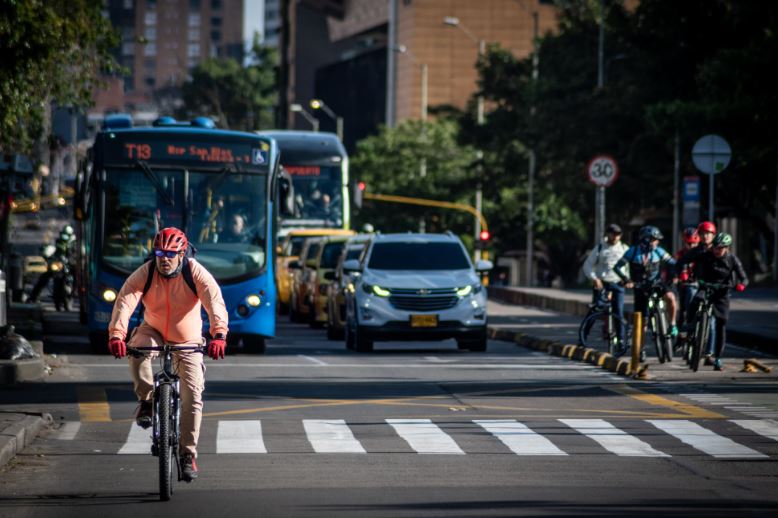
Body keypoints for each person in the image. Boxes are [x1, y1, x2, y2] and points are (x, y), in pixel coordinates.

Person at [107, 227, 229, 482]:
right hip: (153, 331)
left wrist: (219, 335)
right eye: (160, 252)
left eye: (171, 254)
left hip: (188, 339)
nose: (164, 258)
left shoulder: (194, 271)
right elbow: (125, 302)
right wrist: (117, 334)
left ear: (182, 253)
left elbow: (214, 301)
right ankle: (148, 401)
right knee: (137, 349)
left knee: (193, 395)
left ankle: (187, 455)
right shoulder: (147, 272)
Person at [675, 232, 747, 371]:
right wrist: (683, 272)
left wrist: (741, 284)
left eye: (720, 248)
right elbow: (682, 260)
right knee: (694, 301)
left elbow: (743, 277)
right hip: (705, 287)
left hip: (722, 293)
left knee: (721, 325)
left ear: (727, 248)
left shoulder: (732, 259)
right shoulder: (705, 255)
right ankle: (688, 327)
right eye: (715, 247)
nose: (717, 250)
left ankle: (717, 358)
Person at [613, 225, 678, 360]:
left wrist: (674, 276)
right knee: (642, 322)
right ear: (646, 240)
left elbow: (673, 263)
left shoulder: (659, 251)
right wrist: (627, 280)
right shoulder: (633, 251)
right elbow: (617, 267)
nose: (657, 242)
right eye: (655, 239)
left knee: (671, 298)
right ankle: (640, 349)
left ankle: (672, 325)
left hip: (657, 284)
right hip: (640, 288)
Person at [581, 223, 630, 350]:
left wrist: (628, 280)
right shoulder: (600, 248)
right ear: (608, 234)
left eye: (618, 234)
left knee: (618, 312)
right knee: (596, 310)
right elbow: (587, 265)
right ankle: (583, 337)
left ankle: (621, 340)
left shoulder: (624, 248)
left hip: (618, 284)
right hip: (602, 283)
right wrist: (595, 279)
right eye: (613, 234)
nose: (615, 237)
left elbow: (629, 267)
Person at [27, 224, 76, 303]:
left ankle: (75, 292)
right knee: (44, 276)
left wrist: (73, 260)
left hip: (70, 265)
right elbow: (52, 250)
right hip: (59, 264)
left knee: (77, 276)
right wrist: (47, 254)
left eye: (66, 235)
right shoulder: (58, 241)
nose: (64, 237)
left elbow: (78, 255)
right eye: (64, 235)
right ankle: (33, 297)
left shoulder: (74, 244)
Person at [675, 227, 701, 330]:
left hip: (699, 282)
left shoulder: (701, 253)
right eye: (689, 244)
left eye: (694, 244)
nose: (692, 246)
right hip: (685, 284)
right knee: (684, 310)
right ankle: (681, 334)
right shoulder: (680, 254)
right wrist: (679, 276)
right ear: (685, 243)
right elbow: (676, 267)